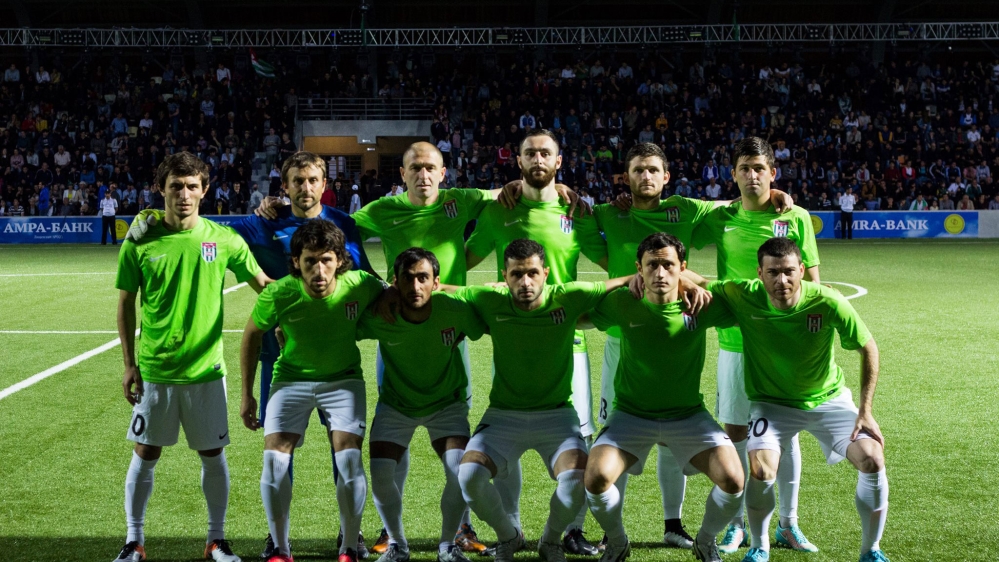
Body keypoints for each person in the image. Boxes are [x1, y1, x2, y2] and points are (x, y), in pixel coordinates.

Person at [126, 151, 377, 559]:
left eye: (313, 180)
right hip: (279, 361)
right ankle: (277, 539)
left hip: (337, 361)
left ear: (324, 183)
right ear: (285, 185)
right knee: (279, 454)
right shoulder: (261, 222)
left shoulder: (343, 224)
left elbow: (367, 282)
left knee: (345, 452)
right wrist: (150, 215)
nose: (306, 187)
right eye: (297, 181)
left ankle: (351, 533)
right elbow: (200, 224)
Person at [575, 142, 791, 549]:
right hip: (623, 335)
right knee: (615, 436)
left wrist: (774, 194)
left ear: (666, 176)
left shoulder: (686, 210)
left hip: (676, 326)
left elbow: (736, 204)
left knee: (672, 436)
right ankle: (609, 531)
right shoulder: (608, 213)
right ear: (626, 176)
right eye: (638, 170)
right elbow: (574, 212)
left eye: (653, 170)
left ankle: (672, 524)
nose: (646, 177)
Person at [113, 152, 270, 562]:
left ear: (205, 189)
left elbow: (263, 284)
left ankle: (216, 540)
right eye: (176, 186)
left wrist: (304, 302)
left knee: (213, 455)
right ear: (161, 189)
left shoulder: (224, 239)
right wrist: (129, 364)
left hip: (206, 371)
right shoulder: (140, 240)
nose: (184, 194)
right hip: (156, 371)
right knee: (146, 452)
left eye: (191, 186)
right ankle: (133, 541)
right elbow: (126, 304)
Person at [702, 238, 889, 562]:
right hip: (772, 405)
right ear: (759, 273)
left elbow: (868, 347)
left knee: (872, 459)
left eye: (789, 271)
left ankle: (871, 550)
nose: (782, 280)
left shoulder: (827, 300)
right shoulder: (744, 294)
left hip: (829, 400)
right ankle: (760, 546)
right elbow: (697, 281)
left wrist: (865, 411)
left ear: (802, 270)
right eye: (773, 272)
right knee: (761, 469)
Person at [465, 131, 603, 554]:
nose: (538, 159)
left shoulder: (576, 211)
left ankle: (572, 531)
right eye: (530, 153)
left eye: (546, 153)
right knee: (505, 443)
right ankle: (511, 528)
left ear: (558, 161)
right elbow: (461, 259)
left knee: (580, 440)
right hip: (514, 337)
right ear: (518, 161)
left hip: (567, 341)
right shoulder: (499, 210)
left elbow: (612, 258)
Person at [454, 239, 633, 562]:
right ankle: (509, 536)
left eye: (532, 273)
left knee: (577, 479)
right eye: (516, 274)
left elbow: (621, 281)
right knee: (469, 477)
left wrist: (682, 283)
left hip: (556, 416)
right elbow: (442, 289)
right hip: (503, 415)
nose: (525, 282)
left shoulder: (567, 296)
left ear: (546, 273)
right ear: (504, 276)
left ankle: (550, 540)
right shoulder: (489, 299)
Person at [692, 137, 821, 555]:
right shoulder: (721, 216)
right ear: (732, 174)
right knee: (734, 431)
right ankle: (737, 525)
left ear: (772, 173)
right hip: (735, 339)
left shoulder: (796, 216)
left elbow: (813, 283)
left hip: (782, 344)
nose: (752, 175)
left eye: (759, 168)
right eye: (744, 168)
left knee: (787, 432)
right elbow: (670, 222)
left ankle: (788, 524)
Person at [583, 233, 745, 562]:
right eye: (651, 265)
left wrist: (698, 284)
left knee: (733, 480)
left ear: (682, 267)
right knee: (596, 478)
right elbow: (573, 315)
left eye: (668, 265)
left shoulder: (701, 305)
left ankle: (705, 540)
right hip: (631, 415)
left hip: (687, 415)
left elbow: (745, 300)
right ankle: (617, 541)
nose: (660, 273)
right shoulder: (623, 302)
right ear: (638, 268)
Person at [240, 219, 385, 562]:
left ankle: (349, 547)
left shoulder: (361, 284)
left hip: (343, 381)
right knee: (274, 463)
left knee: (349, 460)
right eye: (310, 261)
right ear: (296, 261)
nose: (319, 271)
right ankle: (280, 548)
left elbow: (397, 297)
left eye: (326, 260)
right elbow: (251, 335)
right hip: (290, 380)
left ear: (340, 260)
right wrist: (247, 394)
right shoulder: (280, 293)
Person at [357, 248, 487, 562]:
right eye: (408, 278)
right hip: (396, 406)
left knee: (461, 474)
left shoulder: (455, 310)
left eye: (423, 278)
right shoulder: (381, 315)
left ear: (436, 282)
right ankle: (398, 545)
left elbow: (482, 322)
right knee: (381, 475)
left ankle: (447, 546)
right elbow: (343, 323)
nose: (416, 286)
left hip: (446, 405)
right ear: (395, 282)